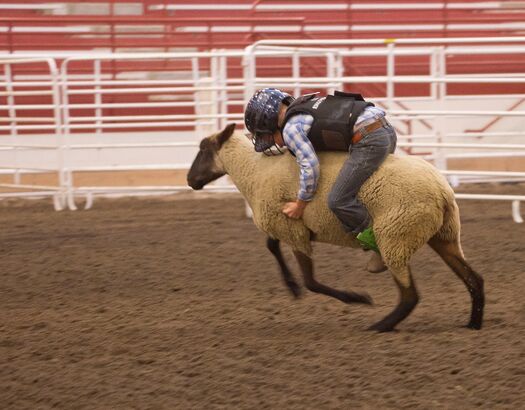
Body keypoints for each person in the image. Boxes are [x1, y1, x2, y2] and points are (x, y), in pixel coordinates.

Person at [244, 88, 397, 253]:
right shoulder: (303, 105)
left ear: (271, 123)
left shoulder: (290, 129)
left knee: (338, 200)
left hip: (370, 139)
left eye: (270, 137)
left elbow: (310, 166)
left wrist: (300, 204)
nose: (278, 144)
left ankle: (381, 244)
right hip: (385, 129)